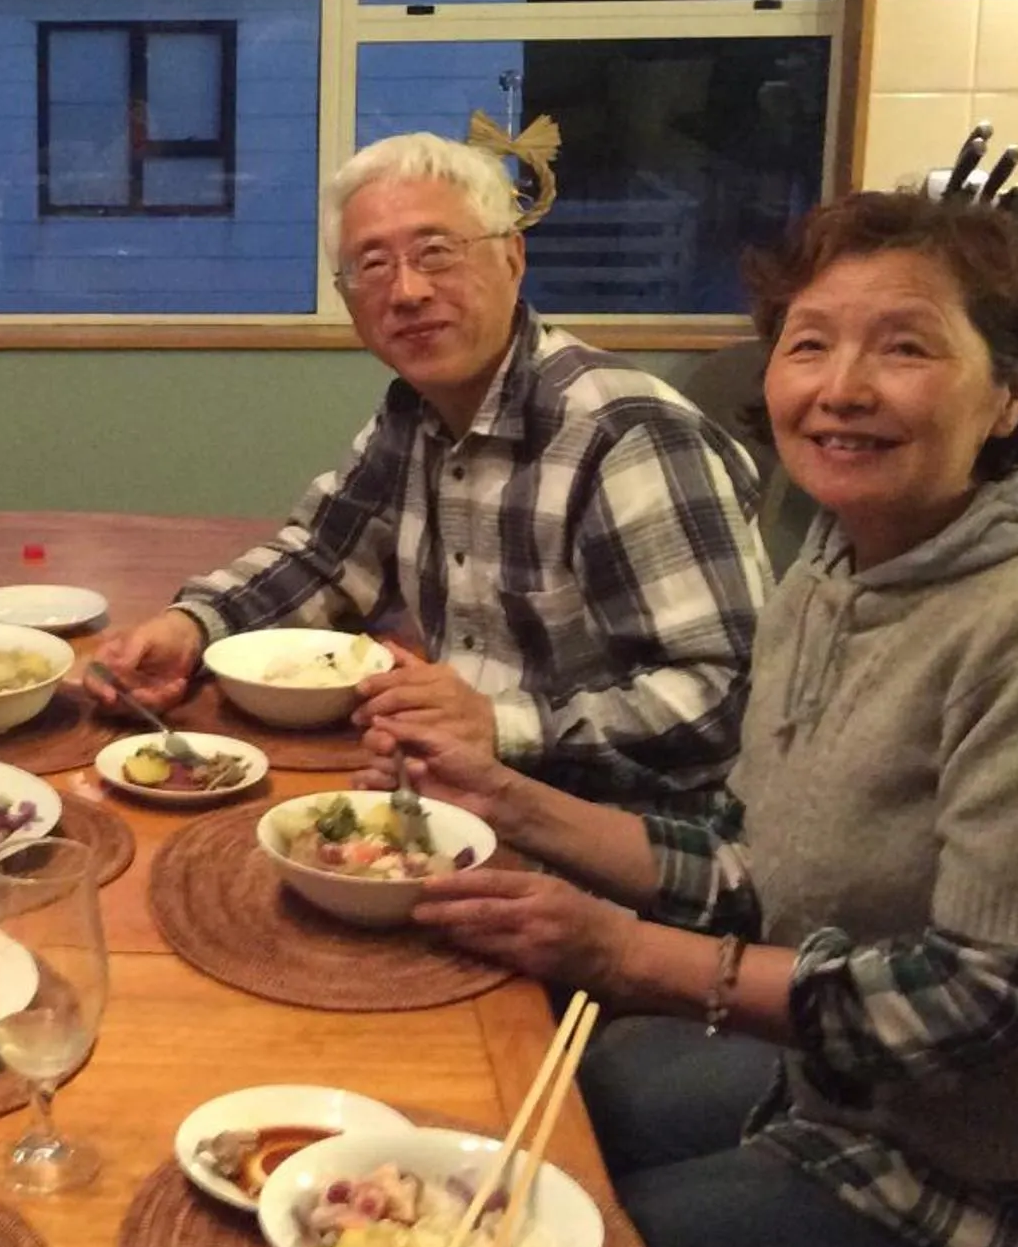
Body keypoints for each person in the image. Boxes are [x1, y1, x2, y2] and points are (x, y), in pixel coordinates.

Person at [397, 190, 1018, 1247]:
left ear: (1012, 392)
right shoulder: (835, 566)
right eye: (809, 343)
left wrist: (621, 956)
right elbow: (750, 849)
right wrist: (504, 797)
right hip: (845, 1091)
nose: (842, 387)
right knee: (553, 1119)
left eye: (907, 346)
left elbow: (976, 1003)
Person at [88, 131, 769, 817]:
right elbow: (324, 558)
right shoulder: (413, 418)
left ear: (514, 256)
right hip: (451, 794)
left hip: (621, 839)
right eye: (372, 265)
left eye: (436, 253)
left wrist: (498, 725)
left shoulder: (624, 434)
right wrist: (192, 628)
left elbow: (727, 696)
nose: (408, 290)